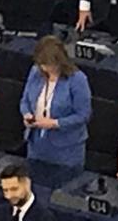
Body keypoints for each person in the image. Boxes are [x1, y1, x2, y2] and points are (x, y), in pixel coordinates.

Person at [18, 36, 92, 188]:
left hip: (66, 152)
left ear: (60, 61)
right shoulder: (35, 72)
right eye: (42, 64)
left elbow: (84, 115)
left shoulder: (77, 79)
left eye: (49, 65)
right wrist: (26, 114)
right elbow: (24, 100)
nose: (45, 69)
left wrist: (55, 123)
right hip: (36, 146)